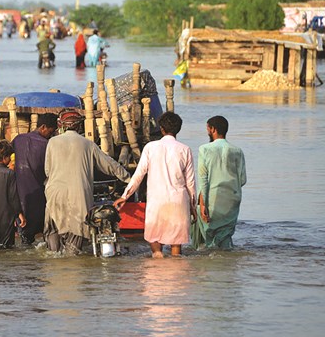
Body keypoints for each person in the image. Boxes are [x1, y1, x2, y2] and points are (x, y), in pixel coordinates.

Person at [43, 109, 131, 254]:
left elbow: (47, 170)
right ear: (79, 126)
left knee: (53, 227)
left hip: (55, 192)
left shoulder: (52, 142)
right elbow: (110, 165)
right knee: (76, 231)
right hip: (79, 194)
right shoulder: (87, 144)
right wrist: (129, 179)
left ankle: (54, 255)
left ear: (62, 126)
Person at [113, 112, 196, 258]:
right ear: (178, 129)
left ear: (161, 129)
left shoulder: (151, 147)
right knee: (176, 247)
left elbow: (139, 175)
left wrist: (125, 196)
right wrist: (193, 207)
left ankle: (157, 261)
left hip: (157, 201)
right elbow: (190, 183)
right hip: (178, 201)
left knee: (155, 242)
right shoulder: (185, 150)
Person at [191, 116, 247, 250]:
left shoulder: (204, 149)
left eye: (208, 129)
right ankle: (228, 267)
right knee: (225, 237)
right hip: (232, 199)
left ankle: (212, 267)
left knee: (208, 237)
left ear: (213, 129)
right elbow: (243, 180)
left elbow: (203, 180)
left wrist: (203, 203)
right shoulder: (237, 151)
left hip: (212, 199)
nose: (207, 132)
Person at [11, 113, 58, 245]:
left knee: (25, 235)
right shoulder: (47, 145)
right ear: (43, 127)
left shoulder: (18, 139)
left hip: (19, 195)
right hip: (38, 195)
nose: (51, 134)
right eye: (51, 131)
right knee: (42, 232)